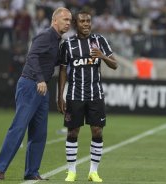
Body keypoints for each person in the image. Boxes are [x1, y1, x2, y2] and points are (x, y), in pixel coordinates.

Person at [0, 7, 72, 181]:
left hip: (41, 89)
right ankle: (0, 167)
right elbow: (32, 56)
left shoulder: (58, 40)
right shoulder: (45, 36)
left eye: (69, 20)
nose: (68, 23)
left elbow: (52, 60)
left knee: (39, 133)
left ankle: (31, 172)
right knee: (19, 128)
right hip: (31, 84)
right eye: (65, 19)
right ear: (54, 20)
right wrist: (40, 79)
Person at [57, 10, 118, 182]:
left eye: (88, 21)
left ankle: (93, 171)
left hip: (95, 95)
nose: (86, 24)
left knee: (97, 131)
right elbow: (62, 70)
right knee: (72, 132)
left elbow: (115, 65)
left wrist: (102, 56)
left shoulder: (100, 41)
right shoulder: (67, 44)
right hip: (75, 95)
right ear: (76, 23)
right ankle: (71, 171)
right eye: (82, 21)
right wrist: (60, 96)